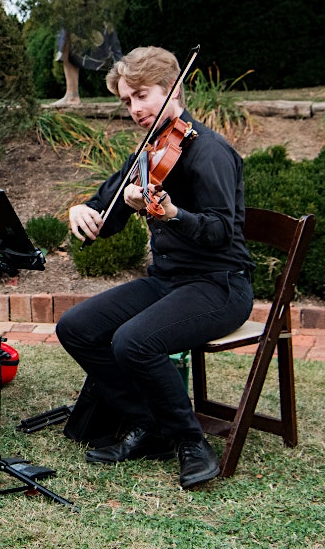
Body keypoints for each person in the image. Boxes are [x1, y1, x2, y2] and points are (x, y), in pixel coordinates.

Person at [57, 46, 253, 489]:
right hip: (167, 281)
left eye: (142, 95)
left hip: (220, 285)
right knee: (76, 327)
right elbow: (105, 217)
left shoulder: (209, 153)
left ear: (172, 89)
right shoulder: (148, 153)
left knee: (133, 341)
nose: (135, 109)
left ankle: (190, 441)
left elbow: (221, 232)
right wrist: (82, 211)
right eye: (127, 101)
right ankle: (150, 424)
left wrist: (172, 214)